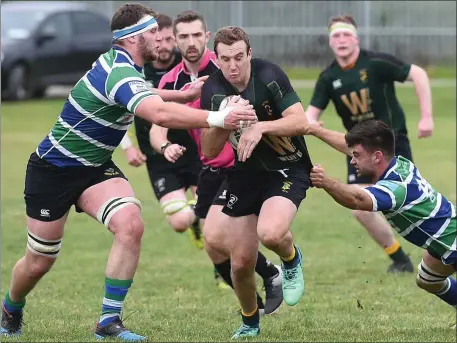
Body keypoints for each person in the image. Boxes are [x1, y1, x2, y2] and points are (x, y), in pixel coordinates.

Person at [0, 4, 256, 341]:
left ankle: (108, 321)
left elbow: (144, 92)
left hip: (94, 168)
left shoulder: (126, 69)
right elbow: (158, 114)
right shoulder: (119, 72)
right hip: (53, 170)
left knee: (130, 224)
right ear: (134, 38)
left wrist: (184, 94)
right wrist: (218, 119)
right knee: (39, 262)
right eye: (153, 34)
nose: (161, 41)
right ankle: (10, 308)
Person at [150, 11, 284, 307]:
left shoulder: (226, 65)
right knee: (213, 247)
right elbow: (157, 125)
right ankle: (257, 301)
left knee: (218, 234)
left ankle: (271, 274)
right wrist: (163, 147)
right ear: (174, 40)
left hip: (240, 165)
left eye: (197, 35)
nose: (191, 42)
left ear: (207, 37)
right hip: (209, 167)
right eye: (183, 36)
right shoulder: (172, 81)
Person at [200, 26, 314, 338]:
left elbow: (301, 122)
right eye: (225, 59)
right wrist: (225, 120)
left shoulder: (268, 74)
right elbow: (209, 151)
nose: (233, 66)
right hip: (246, 173)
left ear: (250, 53)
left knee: (271, 232)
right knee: (240, 264)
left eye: (239, 57)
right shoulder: (214, 90)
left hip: (287, 168)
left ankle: (290, 259)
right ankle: (250, 322)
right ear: (217, 59)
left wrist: (259, 127)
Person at [305, 15, 434, 273]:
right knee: (360, 207)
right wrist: (304, 125)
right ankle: (401, 260)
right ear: (330, 42)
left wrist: (427, 117)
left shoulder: (375, 63)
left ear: (356, 38)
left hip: (391, 142)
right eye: (335, 36)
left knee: (407, 204)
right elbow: (310, 116)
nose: (341, 40)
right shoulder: (329, 77)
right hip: (358, 150)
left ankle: (442, 243)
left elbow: (417, 73)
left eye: (346, 34)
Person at [308, 119, 456, 311]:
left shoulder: (396, 189)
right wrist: (312, 130)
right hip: (442, 243)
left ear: (377, 157)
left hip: (452, 243)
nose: (352, 161)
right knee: (428, 280)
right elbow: (349, 146)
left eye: (356, 156)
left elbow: (358, 201)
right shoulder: (399, 163)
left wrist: (326, 182)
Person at [119, 13, 204, 248]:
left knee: (212, 214)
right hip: (157, 154)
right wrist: (128, 147)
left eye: (169, 40)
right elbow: (115, 109)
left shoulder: (185, 65)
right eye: (160, 40)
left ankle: (222, 275)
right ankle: (194, 221)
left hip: (195, 149)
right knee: (180, 221)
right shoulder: (135, 70)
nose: (164, 46)